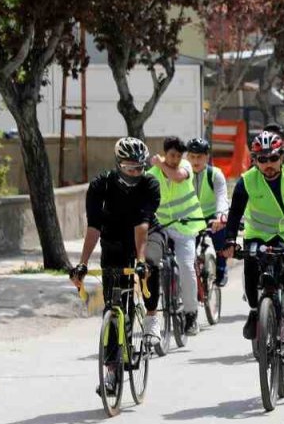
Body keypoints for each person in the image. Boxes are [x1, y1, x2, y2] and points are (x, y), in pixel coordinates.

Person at [223, 132, 284, 384]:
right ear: (254, 160)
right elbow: (234, 215)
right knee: (251, 271)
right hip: (259, 236)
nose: (267, 164)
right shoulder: (247, 181)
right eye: (261, 159)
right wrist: (231, 240)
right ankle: (256, 311)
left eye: (273, 158)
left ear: (282, 157)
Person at [70, 138, 161, 396]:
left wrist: (141, 262)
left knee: (152, 265)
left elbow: (142, 225)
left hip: (147, 235)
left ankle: (152, 318)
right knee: (111, 307)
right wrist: (82, 264)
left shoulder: (149, 184)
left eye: (140, 168)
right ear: (118, 164)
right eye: (130, 168)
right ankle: (110, 373)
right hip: (114, 241)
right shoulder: (101, 184)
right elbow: (93, 227)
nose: (136, 173)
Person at [146, 137, 205, 334]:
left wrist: (161, 163)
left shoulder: (185, 166)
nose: (175, 159)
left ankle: (191, 314)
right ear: (165, 152)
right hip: (161, 229)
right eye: (172, 155)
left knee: (187, 266)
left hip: (185, 228)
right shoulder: (152, 174)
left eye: (179, 156)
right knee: (153, 265)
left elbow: (177, 176)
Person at [187, 137, 229, 287]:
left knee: (220, 238)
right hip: (191, 218)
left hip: (212, 216)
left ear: (207, 157)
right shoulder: (182, 175)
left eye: (199, 157)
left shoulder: (215, 174)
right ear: (187, 157)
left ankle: (222, 268)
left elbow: (222, 197)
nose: (195, 161)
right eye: (192, 157)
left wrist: (221, 217)